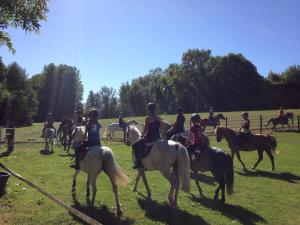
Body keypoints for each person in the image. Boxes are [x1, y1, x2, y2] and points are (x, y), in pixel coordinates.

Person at [131, 103, 163, 169]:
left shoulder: (147, 118)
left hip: (149, 138)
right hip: (158, 138)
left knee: (135, 145)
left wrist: (141, 136)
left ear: (149, 110)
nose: (147, 111)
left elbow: (145, 130)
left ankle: (138, 162)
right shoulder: (159, 118)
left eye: (147, 109)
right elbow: (161, 129)